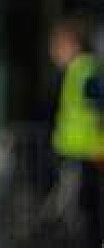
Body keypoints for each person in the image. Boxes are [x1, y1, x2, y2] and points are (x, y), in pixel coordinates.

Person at [46, 20, 103, 246]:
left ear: (72, 44)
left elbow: (98, 99)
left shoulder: (83, 70)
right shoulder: (78, 71)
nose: (53, 53)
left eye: (57, 46)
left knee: (81, 214)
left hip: (84, 154)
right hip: (78, 152)